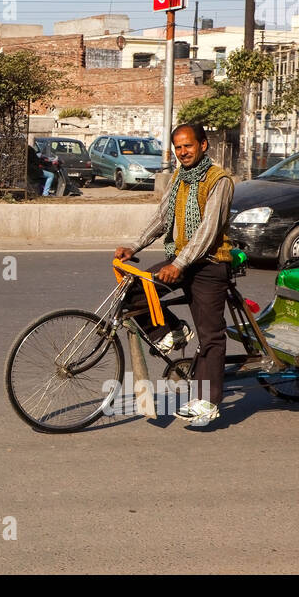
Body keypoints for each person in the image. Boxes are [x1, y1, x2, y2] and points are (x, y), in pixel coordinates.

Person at [115, 122, 233, 428]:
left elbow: (208, 231)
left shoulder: (219, 180)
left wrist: (178, 265)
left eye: (188, 146)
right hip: (180, 260)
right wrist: (135, 244)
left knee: (211, 335)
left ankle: (208, 402)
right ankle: (172, 332)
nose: (183, 152)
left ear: (203, 145)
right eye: (178, 148)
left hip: (208, 264)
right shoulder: (180, 176)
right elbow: (163, 216)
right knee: (134, 290)